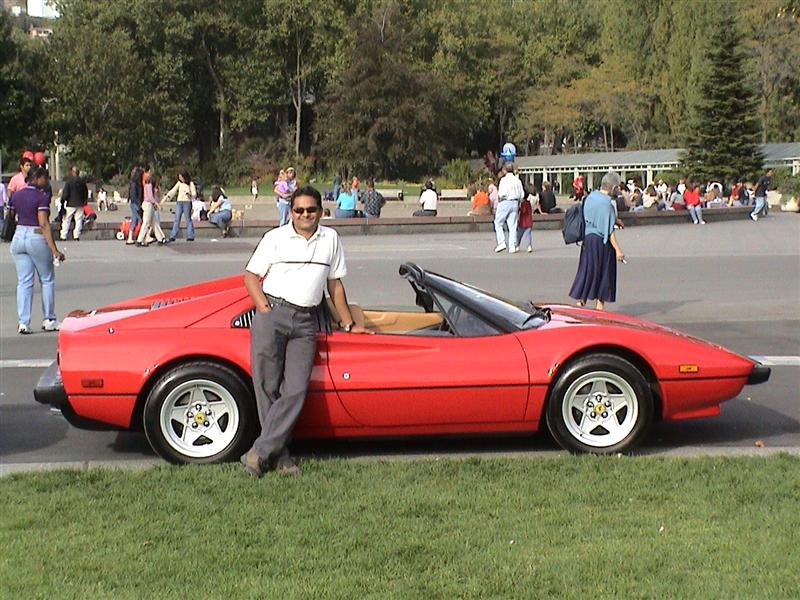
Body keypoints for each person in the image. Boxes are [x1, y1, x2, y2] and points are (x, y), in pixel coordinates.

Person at [241, 184, 367, 477]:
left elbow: (335, 285)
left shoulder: (330, 239)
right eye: (299, 210)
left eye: (311, 210)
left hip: (306, 321)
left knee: (296, 389)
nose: (305, 215)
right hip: (273, 314)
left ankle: (259, 452)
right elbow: (250, 276)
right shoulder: (275, 238)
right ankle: (281, 457)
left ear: (321, 212)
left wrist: (348, 323)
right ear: (291, 212)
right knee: (267, 387)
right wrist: (264, 308)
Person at [8, 167, 65, 334]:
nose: (46, 182)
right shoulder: (42, 196)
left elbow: (11, 216)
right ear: (38, 178)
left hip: (19, 236)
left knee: (24, 282)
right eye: (45, 178)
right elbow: (43, 223)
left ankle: (23, 322)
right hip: (35, 236)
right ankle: (49, 319)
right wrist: (54, 250)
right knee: (46, 279)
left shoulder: (17, 195)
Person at [568, 171, 626, 311]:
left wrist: (615, 220)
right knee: (604, 273)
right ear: (613, 188)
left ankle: (582, 300)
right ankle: (599, 306)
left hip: (588, 239)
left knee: (588, 269)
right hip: (601, 243)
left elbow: (596, 216)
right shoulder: (607, 204)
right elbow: (609, 231)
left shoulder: (590, 197)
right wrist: (618, 250)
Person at [493, 163, 524, 253]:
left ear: (504, 170)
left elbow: (501, 193)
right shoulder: (517, 180)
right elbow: (522, 194)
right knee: (512, 225)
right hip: (515, 203)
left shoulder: (504, 180)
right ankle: (512, 246)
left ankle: (501, 242)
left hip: (505, 201)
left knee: (498, 222)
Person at [136, 172, 167, 246]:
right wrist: (157, 204)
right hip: (148, 205)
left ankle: (161, 238)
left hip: (149, 205)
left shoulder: (149, 185)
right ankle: (139, 240)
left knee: (154, 222)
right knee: (146, 223)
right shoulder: (149, 185)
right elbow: (150, 197)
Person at [165, 170, 197, 241]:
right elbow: (173, 191)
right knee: (177, 219)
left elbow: (194, 194)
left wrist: (190, 195)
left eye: (182, 177)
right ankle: (173, 235)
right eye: (180, 177)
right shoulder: (179, 183)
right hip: (179, 202)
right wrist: (167, 197)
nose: (181, 179)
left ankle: (190, 235)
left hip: (187, 202)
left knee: (188, 219)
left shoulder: (190, 184)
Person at [59, 165, 88, 241]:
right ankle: (76, 236)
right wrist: (84, 201)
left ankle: (63, 236)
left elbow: (66, 193)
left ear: (72, 172)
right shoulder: (82, 181)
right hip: (80, 203)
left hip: (70, 203)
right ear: (78, 172)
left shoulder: (69, 181)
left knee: (66, 219)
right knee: (78, 220)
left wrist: (63, 201)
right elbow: (85, 192)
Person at [126, 166, 144, 245]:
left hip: (134, 203)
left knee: (135, 219)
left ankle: (130, 237)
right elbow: (134, 196)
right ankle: (141, 237)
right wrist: (139, 204)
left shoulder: (133, 183)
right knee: (140, 220)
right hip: (135, 203)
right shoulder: (135, 184)